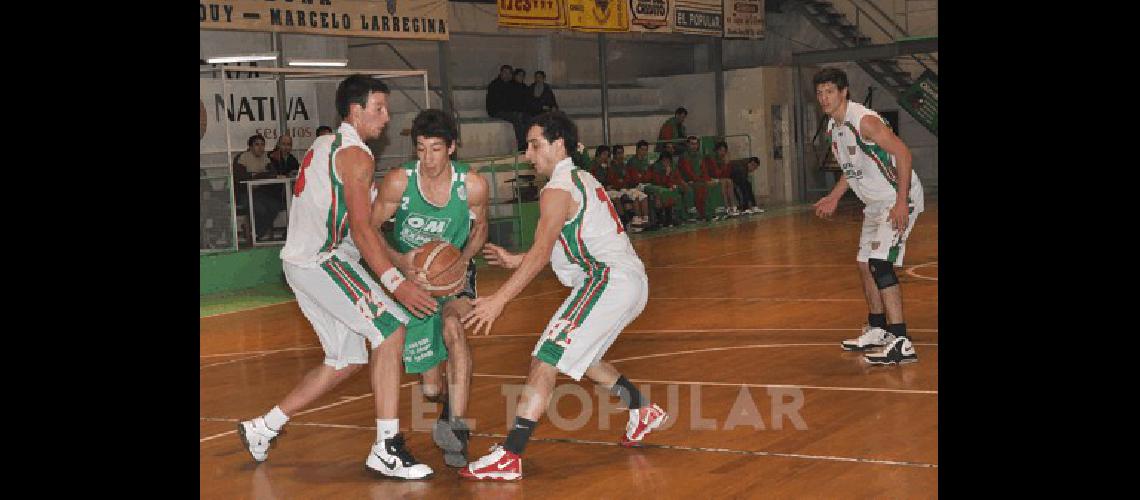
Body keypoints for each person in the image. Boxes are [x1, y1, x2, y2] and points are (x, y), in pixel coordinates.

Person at [237, 75, 441, 480]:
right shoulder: (356, 157)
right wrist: (397, 284)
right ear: (355, 110)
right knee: (391, 329)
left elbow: (359, 227)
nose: (386, 116)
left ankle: (264, 426)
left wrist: (399, 261)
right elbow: (363, 232)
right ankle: (385, 447)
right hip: (320, 260)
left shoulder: (328, 144)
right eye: (378, 108)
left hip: (306, 261)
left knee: (346, 359)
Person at [459, 111, 669, 481]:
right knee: (583, 357)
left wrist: (499, 299)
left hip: (606, 280)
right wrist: (517, 259)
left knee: (546, 358)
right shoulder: (581, 178)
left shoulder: (558, 188)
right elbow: (559, 243)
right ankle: (642, 410)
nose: (528, 155)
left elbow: (543, 253)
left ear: (558, 145)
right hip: (626, 281)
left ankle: (510, 454)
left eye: (535, 145)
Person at [370, 109, 490, 468]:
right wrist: (399, 261)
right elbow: (370, 230)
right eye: (421, 149)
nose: (428, 158)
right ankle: (445, 402)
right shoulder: (398, 182)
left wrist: (464, 260)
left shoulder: (472, 185)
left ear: (451, 148)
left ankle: (457, 425)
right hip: (410, 281)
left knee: (454, 330)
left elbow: (480, 228)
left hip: (453, 279)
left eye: (436, 149)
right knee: (430, 388)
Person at [810, 67, 924, 365]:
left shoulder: (864, 121)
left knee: (879, 264)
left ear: (844, 91)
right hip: (875, 203)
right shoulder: (834, 128)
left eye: (830, 91)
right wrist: (834, 196)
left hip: (897, 197)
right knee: (864, 264)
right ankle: (878, 329)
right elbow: (852, 170)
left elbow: (903, 154)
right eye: (820, 92)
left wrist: (901, 202)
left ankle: (902, 341)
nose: (824, 98)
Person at [233, 134, 287, 241]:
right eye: (257, 144)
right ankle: (254, 230)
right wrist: (261, 174)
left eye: (262, 144)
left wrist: (257, 175)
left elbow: (272, 173)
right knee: (260, 209)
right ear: (250, 146)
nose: (260, 147)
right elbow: (242, 177)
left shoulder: (265, 158)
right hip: (245, 193)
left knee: (275, 206)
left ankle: (257, 232)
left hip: (261, 193)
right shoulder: (242, 158)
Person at [486, 64, 526, 151]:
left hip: (509, 111)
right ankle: (522, 146)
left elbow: (518, 100)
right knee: (516, 118)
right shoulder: (495, 85)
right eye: (505, 73)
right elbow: (498, 104)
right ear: (501, 73)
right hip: (497, 111)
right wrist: (514, 111)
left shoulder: (512, 85)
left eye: (509, 73)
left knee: (526, 117)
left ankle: (528, 143)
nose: (507, 75)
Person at [708, 141, 741, 217]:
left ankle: (733, 207)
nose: (722, 153)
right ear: (716, 150)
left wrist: (727, 164)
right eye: (720, 150)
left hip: (720, 178)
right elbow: (716, 174)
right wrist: (725, 165)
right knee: (723, 182)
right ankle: (726, 207)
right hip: (710, 178)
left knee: (729, 181)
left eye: (724, 151)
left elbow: (727, 174)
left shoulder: (724, 159)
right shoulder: (711, 159)